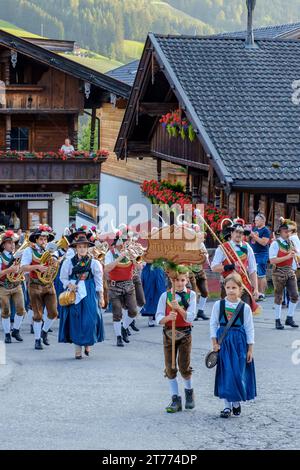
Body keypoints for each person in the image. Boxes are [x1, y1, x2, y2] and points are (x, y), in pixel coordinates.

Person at [210, 273, 256, 418]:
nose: (231, 290)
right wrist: (214, 343)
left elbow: (249, 328)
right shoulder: (219, 305)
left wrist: (250, 349)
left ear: (240, 289)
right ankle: (226, 407)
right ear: (224, 288)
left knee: (237, 373)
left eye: (234, 288)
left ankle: (236, 402)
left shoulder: (245, 308)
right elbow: (213, 323)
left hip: (239, 343)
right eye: (228, 287)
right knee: (226, 373)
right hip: (224, 342)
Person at [156, 265, 197, 413]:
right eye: (176, 280)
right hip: (168, 333)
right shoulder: (165, 296)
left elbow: (191, 316)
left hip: (185, 333)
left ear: (186, 280)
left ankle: (189, 393)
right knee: (170, 367)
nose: (179, 283)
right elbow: (158, 317)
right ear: (171, 280)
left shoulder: (191, 295)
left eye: (182, 280)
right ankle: (175, 398)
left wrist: (179, 308)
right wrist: (167, 317)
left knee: (184, 366)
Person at [59, 231, 105, 359]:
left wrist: (101, 297)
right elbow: (62, 278)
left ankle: (87, 343)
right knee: (76, 320)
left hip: (89, 291)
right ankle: (78, 349)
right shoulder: (69, 262)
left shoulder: (94, 263)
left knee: (91, 319)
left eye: (84, 246)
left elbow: (98, 280)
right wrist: (69, 284)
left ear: (87, 248)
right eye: (79, 246)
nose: (82, 249)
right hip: (74, 292)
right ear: (76, 248)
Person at [20, 224, 58, 350]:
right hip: (35, 284)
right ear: (36, 240)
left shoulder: (51, 250)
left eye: (45, 239)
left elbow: (56, 263)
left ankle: (44, 331)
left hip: (48, 284)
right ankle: (37, 340)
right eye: (41, 239)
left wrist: (55, 262)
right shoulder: (29, 251)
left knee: (53, 313)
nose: (43, 241)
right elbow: (23, 268)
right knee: (38, 315)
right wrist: (37, 267)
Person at [211, 220, 259, 313]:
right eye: (236, 232)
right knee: (228, 313)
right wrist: (229, 267)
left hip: (243, 285)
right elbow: (213, 267)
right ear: (231, 233)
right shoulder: (223, 248)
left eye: (241, 233)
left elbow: (253, 269)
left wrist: (256, 289)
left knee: (245, 311)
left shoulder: (247, 247)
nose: (239, 234)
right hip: (229, 286)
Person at [104, 227, 139, 347]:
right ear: (117, 242)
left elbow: (139, 268)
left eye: (125, 241)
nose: (124, 243)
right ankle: (118, 337)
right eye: (122, 241)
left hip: (129, 285)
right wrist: (120, 257)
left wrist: (134, 258)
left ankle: (124, 328)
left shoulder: (130, 252)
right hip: (114, 286)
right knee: (117, 312)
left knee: (134, 311)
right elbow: (107, 268)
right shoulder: (110, 253)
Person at [269, 221, 299, 330]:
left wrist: (296, 253)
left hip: (290, 271)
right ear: (280, 232)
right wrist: (287, 257)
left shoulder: (291, 243)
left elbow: (295, 255)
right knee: (278, 297)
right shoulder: (275, 244)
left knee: (295, 295)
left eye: (289, 232)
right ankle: (277, 320)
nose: (288, 234)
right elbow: (272, 260)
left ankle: (289, 318)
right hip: (278, 271)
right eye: (286, 231)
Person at [0, 230, 26, 343]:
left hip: (16, 285)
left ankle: (15, 330)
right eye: (10, 243)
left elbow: (22, 270)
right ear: (4, 245)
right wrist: (10, 270)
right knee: (6, 311)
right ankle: (7, 334)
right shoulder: (0, 257)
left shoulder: (17, 256)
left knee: (21, 310)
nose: (13, 245)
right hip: (3, 287)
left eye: (14, 242)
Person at [249, 213, 271, 301]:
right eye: (255, 220)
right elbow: (253, 241)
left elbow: (264, 242)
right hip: (254, 254)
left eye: (257, 220)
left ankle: (262, 293)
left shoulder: (266, 230)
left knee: (261, 274)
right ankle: (256, 292)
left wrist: (254, 236)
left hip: (262, 254)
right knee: (255, 273)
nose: (255, 221)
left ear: (263, 221)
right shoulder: (255, 228)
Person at [189, 240, 210, 320]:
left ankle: (200, 312)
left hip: (200, 270)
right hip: (190, 270)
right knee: (193, 293)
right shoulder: (186, 243)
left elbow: (206, 254)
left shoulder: (200, 243)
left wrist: (205, 257)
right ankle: (192, 312)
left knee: (205, 292)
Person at [141, 263, 166, 327]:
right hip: (148, 270)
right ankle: (150, 318)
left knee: (160, 293)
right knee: (149, 293)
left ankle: (157, 316)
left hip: (157, 269)